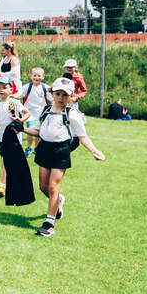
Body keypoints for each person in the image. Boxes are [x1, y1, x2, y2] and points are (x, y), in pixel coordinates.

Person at [28, 77, 105, 237]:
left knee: (53, 187)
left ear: (70, 96)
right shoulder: (45, 111)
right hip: (44, 149)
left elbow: (82, 136)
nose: (61, 98)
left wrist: (94, 150)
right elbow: (37, 131)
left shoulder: (72, 114)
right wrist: (20, 128)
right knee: (43, 187)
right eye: (58, 94)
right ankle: (58, 201)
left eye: (65, 95)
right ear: (52, 94)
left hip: (61, 151)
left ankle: (49, 224)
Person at [0, 76, 34, 204]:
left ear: (11, 89)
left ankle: (2, 185)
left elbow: (27, 113)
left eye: (4, 87)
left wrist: (19, 121)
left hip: (13, 136)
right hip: (0, 136)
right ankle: (24, 181)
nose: (1, 90)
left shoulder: (14, 103)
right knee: (10, 160)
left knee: (7, 160)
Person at [17, 67, 51, 156]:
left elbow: (52, 99)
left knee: (38, 131)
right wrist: (11, 95)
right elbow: (19, 95)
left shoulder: (45, 87)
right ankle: (29, 147)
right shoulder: (27, 87)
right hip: (29, 113)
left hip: (41, 113)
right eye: (34, 75)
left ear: (43, 76)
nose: (36, 77)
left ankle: (37, 148)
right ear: (31, 76)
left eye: (39, 76)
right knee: (31, 129)